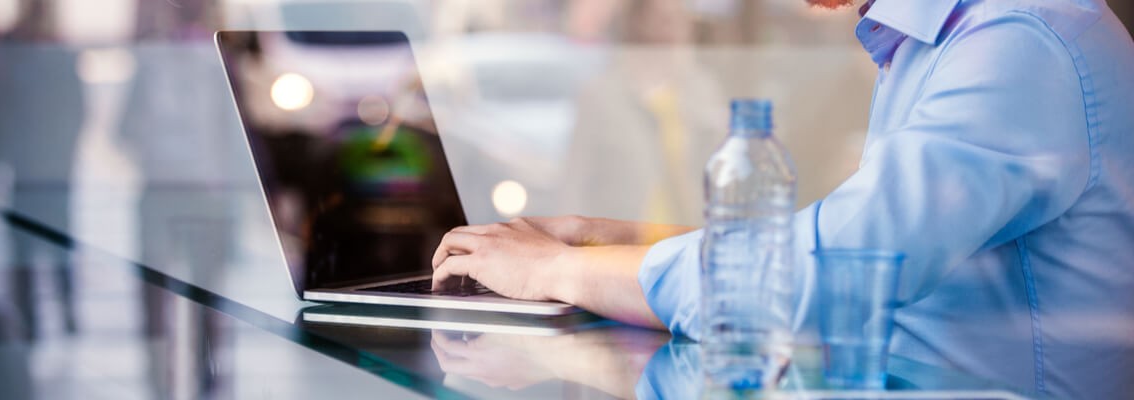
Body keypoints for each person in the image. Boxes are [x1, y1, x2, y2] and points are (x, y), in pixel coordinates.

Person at [430, 0, 1134, 398]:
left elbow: (821, 275)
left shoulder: (1019, 41)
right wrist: (611, 243)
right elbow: (858, 257)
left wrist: (554, 272)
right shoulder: (941, 44)